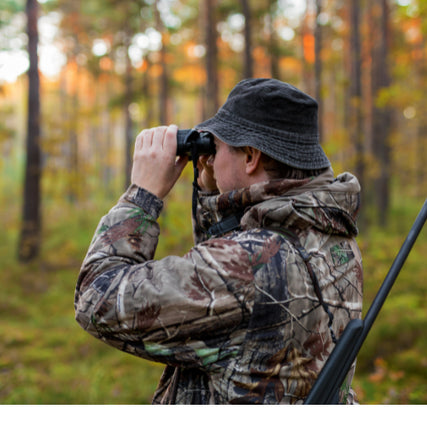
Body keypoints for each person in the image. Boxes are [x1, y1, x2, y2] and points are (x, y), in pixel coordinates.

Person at [74, 78, 363, 404]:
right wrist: (213, 193)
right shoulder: (332, 237)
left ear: (251, 157)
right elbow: (234, 280)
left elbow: (96, 300)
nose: (210, 158)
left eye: (217, 147)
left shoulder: (248, 263)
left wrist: (142, 197)